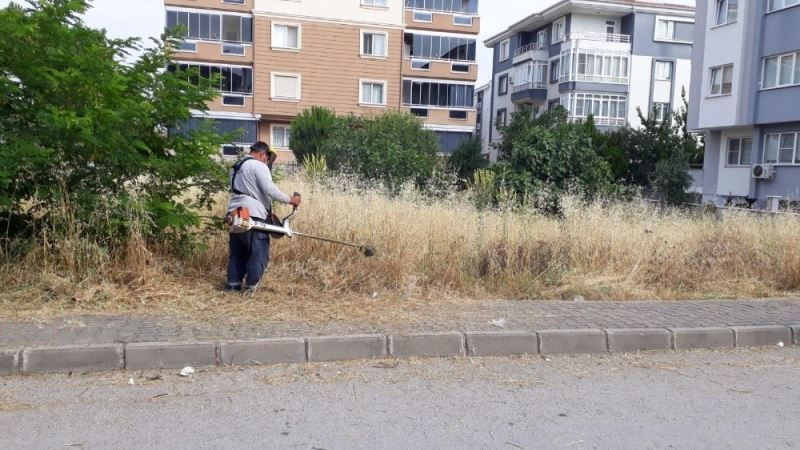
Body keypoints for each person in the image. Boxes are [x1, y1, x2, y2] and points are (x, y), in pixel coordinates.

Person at [225, 142, 301, 292]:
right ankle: (251, 287)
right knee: (258, 252)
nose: (267, 161)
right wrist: (290, 200)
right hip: (254, 215)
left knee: (238, 251)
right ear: (261, 154)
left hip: (235, 213)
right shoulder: (258, 165)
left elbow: (249, 190)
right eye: (267, 158)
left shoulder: (236, 167)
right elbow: (270, 189)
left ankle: (233, 284)